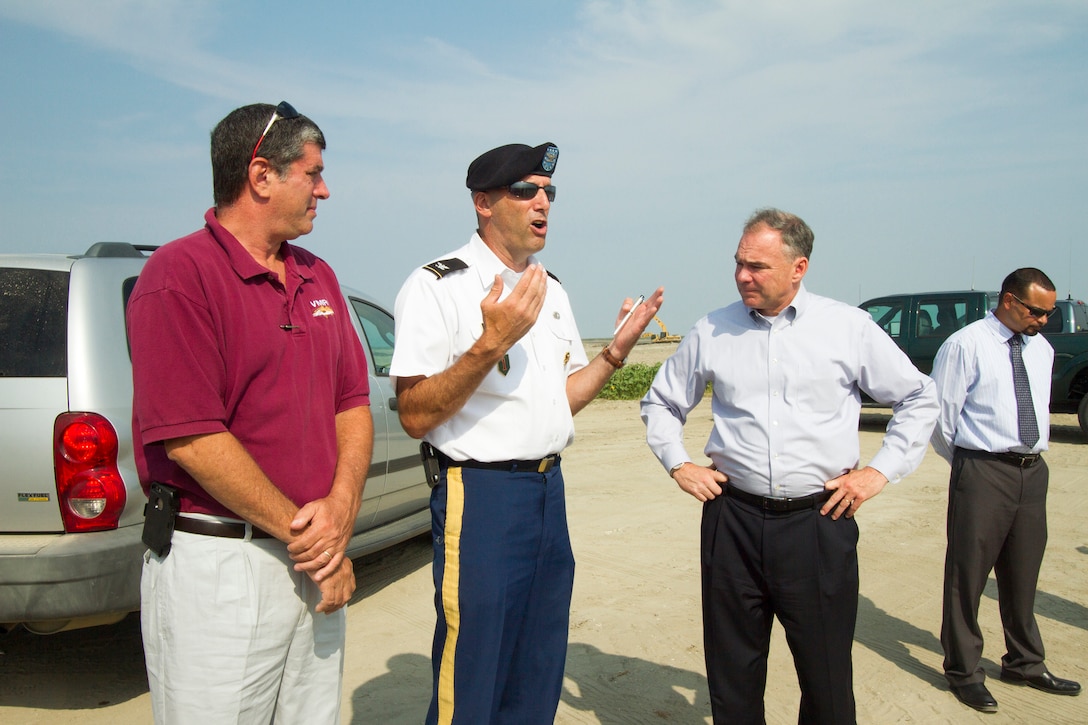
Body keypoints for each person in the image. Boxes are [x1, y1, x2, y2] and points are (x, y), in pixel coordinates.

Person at [389, 142, 664, 724]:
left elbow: (556, 401)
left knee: (538, 665)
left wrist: (614, 354)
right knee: (474, 670)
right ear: (483, 203)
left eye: (549, 192)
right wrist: (491, 343)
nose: (543, 202)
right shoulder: (438, 286)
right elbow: (413, 413)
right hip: (481, 496)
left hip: (547, 493)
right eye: (526, 191)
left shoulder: (549, 288)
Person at [641, 208, 938, 724]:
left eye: (757, 266)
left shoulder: (848, 328)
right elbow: (661, 403)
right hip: (731, 521)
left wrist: (879, 472)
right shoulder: (712, 329)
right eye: (738, 263)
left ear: (798, 267)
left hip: (818, 523)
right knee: (733, 676)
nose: (742, 276)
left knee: (825, 679)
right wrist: (679, 464)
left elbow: (918, 396)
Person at [127, 101, 373, 723]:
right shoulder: (178, 275)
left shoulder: (319, 277)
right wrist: (314, 541)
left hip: (309, 559)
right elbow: (193, 438)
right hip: (220, 570)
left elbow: (353, 402)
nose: (325, 189)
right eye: (311, 174)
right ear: (260, 176)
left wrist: (339, 512)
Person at [930, 268, 1081, 713]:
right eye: (1037, 311)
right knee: (968, 575)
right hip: (983, 469)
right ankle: (963, 671)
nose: (1044, 321)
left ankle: (1025, 662)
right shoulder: (966, 345)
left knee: (1023, 573)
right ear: (1010, 301)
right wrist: (971, 467)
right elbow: (940, 419)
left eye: (1050, 313)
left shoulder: (1042, 349)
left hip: (1033, 472)